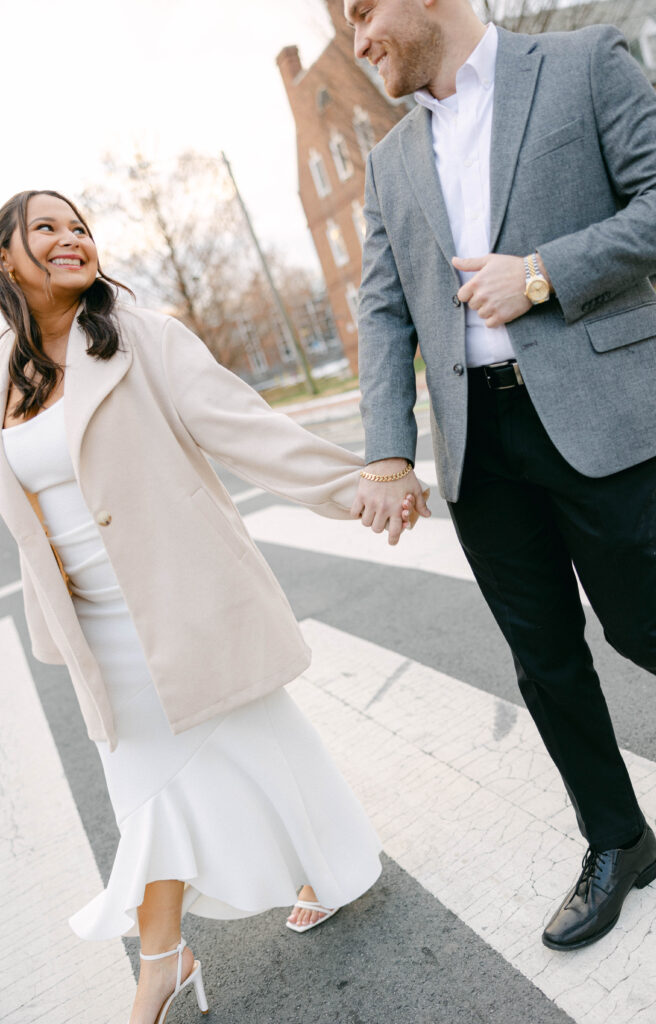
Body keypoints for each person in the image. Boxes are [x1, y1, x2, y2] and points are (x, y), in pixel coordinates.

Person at [0, 190, 417, 1024]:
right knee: (176, 778)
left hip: (183, 598)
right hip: (97, 630)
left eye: (79, 225)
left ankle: (160, 964)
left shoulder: (143, 337)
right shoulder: (5, 371)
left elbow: (245, 427)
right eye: (45, 227)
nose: (71, 237)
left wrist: (361, 481)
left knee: (204, 772)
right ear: (5, 257)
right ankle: (282, 883)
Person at [345, 0, 656, 951]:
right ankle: (618, 840)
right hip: (477, 439)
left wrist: (540, 272)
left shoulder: (582, 63)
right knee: (543, 662)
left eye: (363, 12)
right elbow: (383, 311)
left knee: (648, 623)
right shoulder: (387, 160)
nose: (357, 40)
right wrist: (387, 449)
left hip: (587, 402)